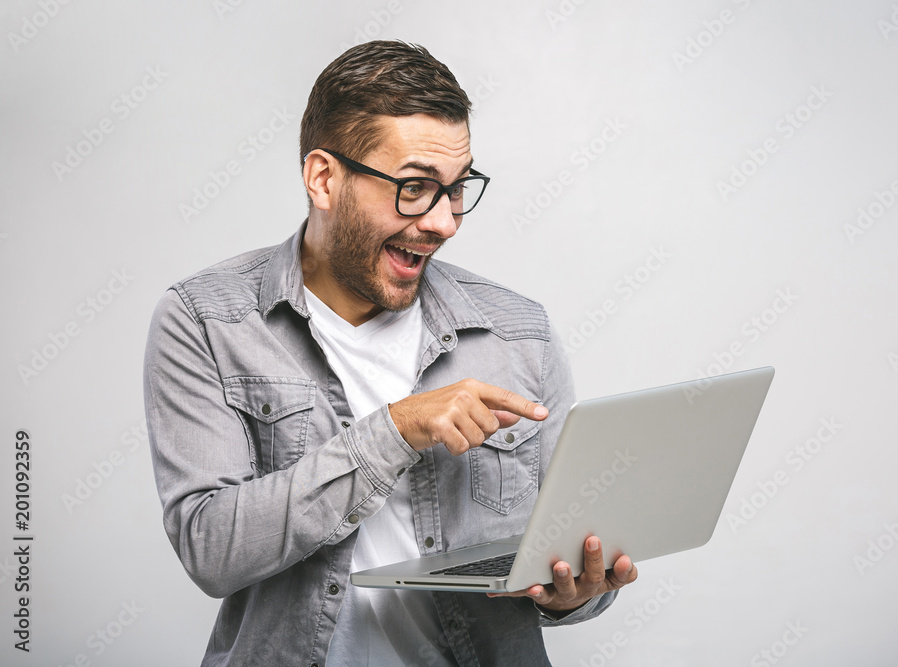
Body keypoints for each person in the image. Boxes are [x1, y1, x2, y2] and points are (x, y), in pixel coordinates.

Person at [143, 40, 637, 666]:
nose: (444, 222)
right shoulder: (206, 320)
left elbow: (566, 557)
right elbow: (211, 549)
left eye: (458, 189)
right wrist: (397, 429)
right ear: (324, 178)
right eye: (414, 187)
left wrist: (576, 594)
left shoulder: (518, 332)